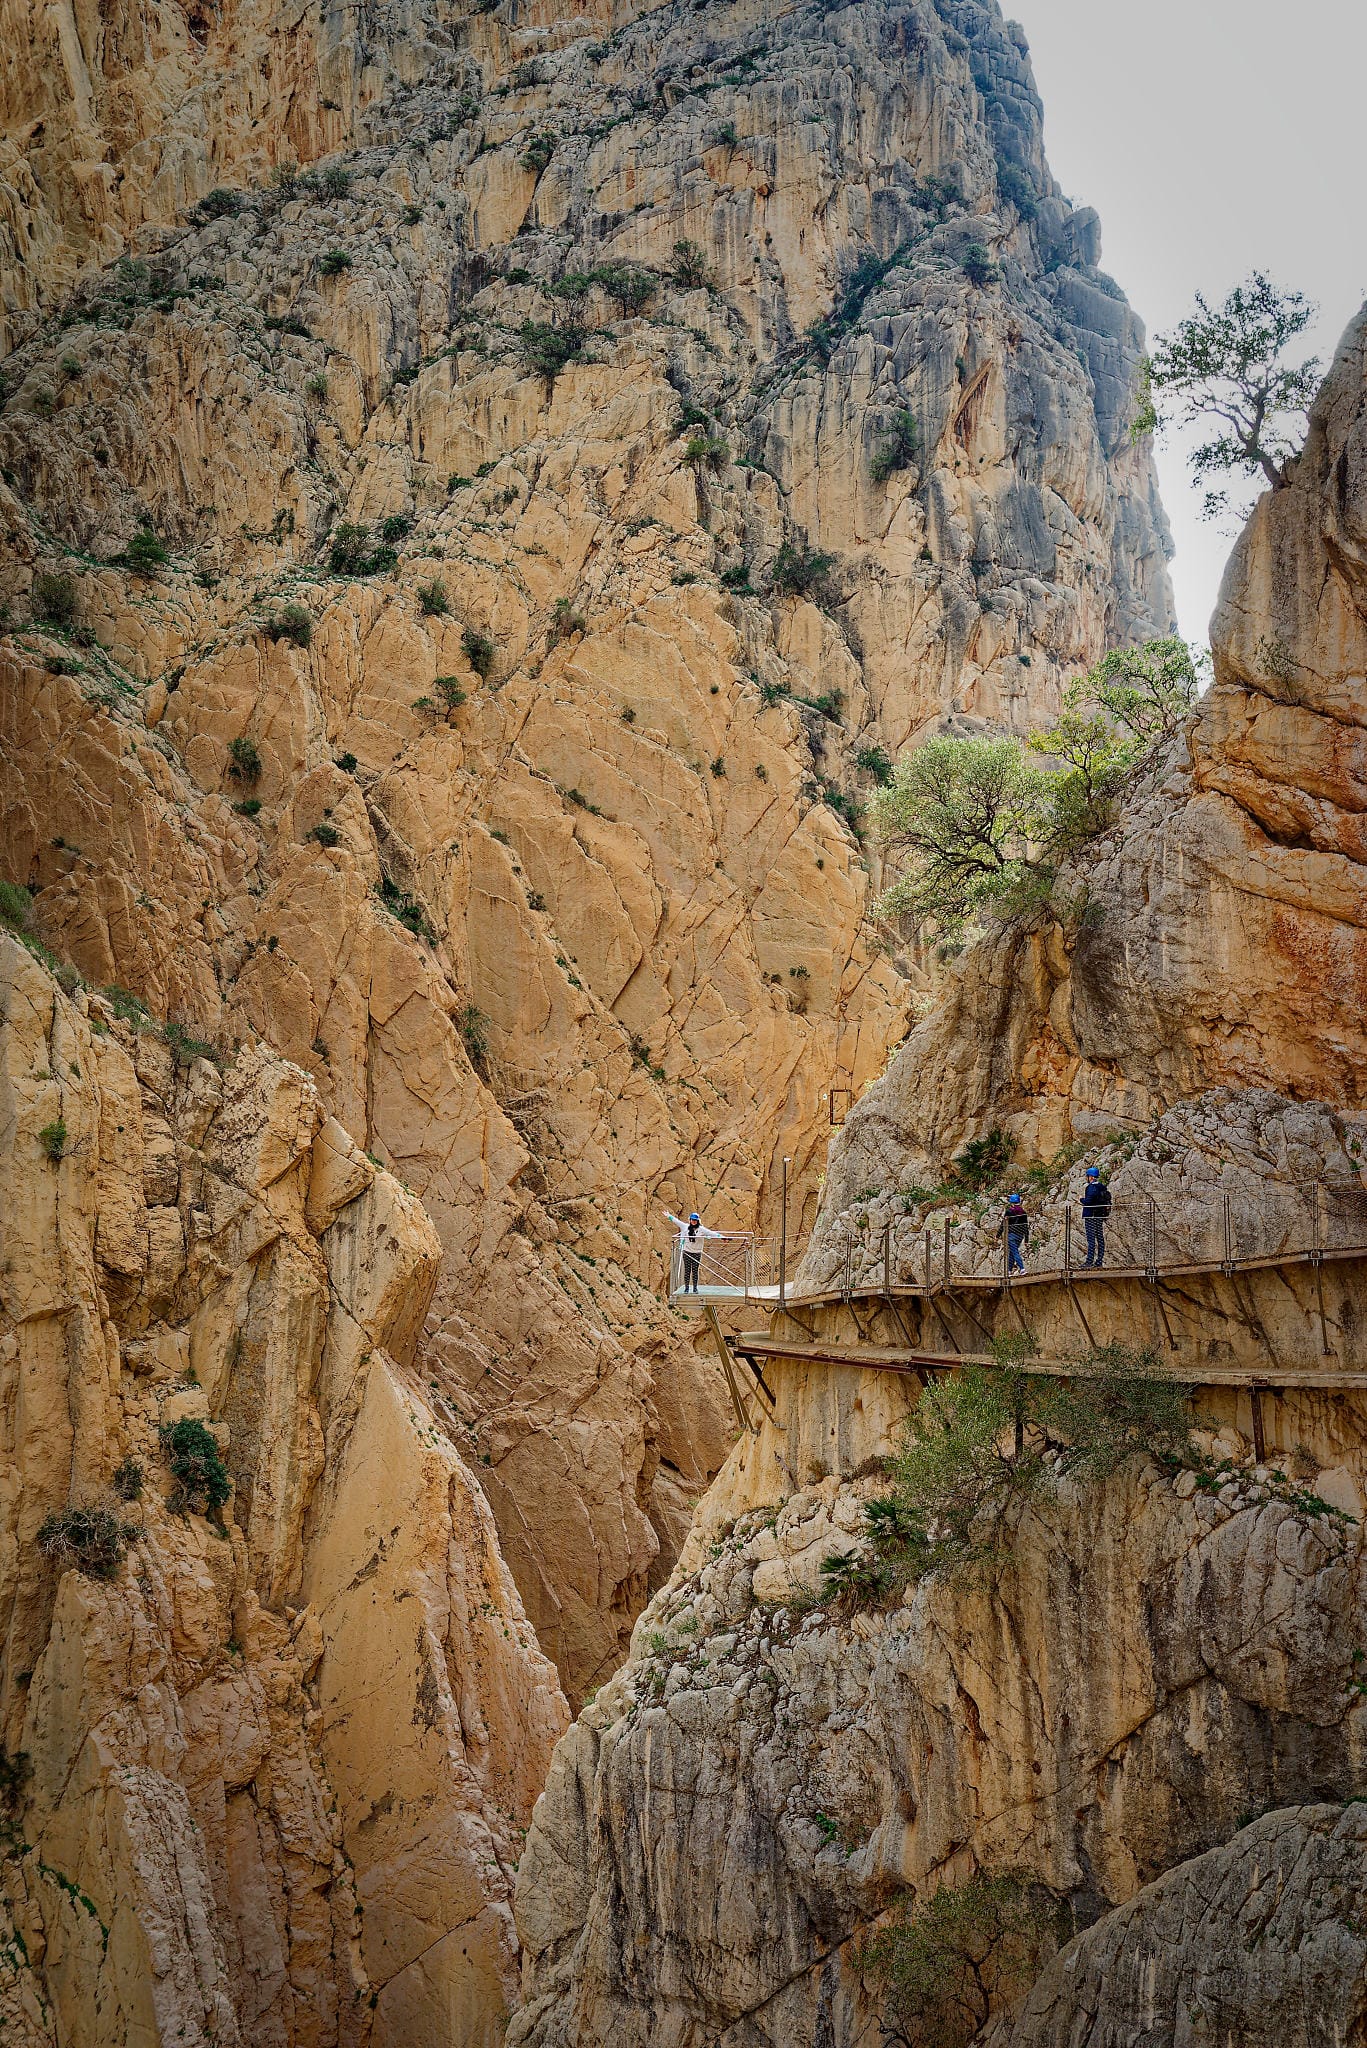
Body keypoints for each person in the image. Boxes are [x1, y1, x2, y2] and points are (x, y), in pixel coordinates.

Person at [664, 1209, 722, 1294]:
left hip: (697, 1253)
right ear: (690, 1220)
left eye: (695, 1220)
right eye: (692, 1220)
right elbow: (676, 1221)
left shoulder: (701, 1229)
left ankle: (695, 1288)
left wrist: (722, 1237)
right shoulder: (685, 1227)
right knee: (687, 1270)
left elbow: (711, 1233)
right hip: (687, 1252)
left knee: (695, 1270)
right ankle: (686, 1288)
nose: (693, 1221)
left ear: (697, 1221)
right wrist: (669, 1216)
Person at [1081, 1164, 1112, 1268]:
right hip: (1099, 1216)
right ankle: (1099, 1261)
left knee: (1091, 1240)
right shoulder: (1102, 1187)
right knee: (1100, 1238)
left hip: (1090, 1216)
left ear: (1090, 1177)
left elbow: (1088, 1202)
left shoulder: (1091, 1187)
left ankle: (1089, 1262)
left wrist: (1081, 1199)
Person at [1004, 1192, 1029, 1274]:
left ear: (1011, 1202)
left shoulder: (1009, 1211)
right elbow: (1025, 1226)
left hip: (1011, 1235)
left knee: (1014, 1252)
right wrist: (1026, 1239)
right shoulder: (1023, 1212)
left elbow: (1003, 1224)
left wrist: (998, 1234)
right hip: (1020, 1235)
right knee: (1012, 1252)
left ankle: (1022, 1269)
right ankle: (1009, 1270)